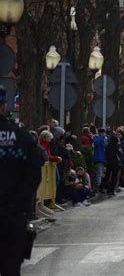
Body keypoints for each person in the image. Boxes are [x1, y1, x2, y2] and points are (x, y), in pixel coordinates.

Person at [0, 85, 42, 275]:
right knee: (10, 268)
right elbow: (34, 174)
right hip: (13, 217)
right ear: (4, 106)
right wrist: (18, 204)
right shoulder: (21, 137)